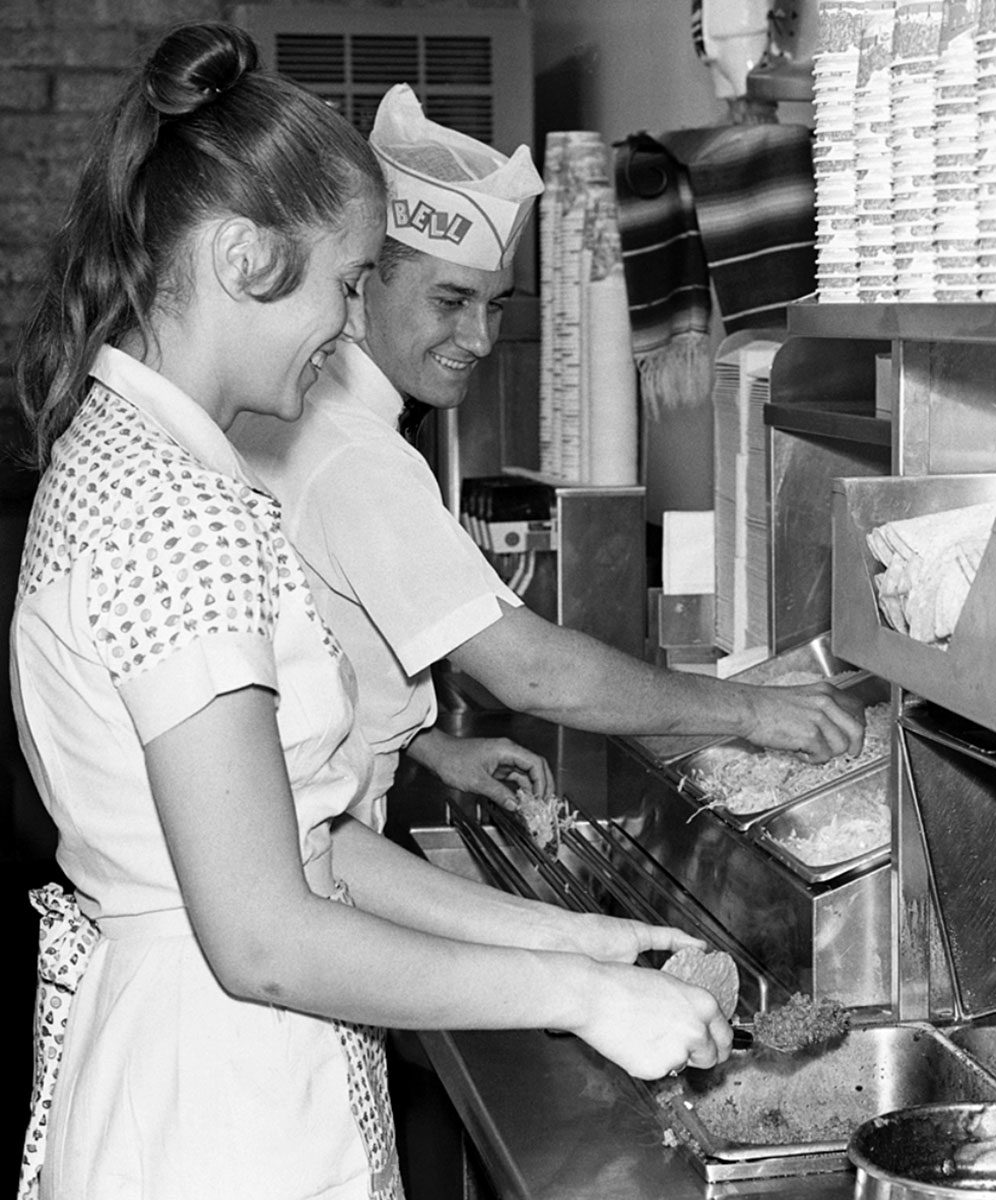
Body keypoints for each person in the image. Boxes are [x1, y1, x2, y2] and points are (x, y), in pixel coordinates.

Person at [12, 24, 730, 1200]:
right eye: (347, 285)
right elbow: (265, 936)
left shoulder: (146, 463)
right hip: (220, 1120)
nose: (350, 329)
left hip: (218, 1079)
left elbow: (313, 841)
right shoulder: (171, 513)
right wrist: (587, 1000)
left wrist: (583, 942)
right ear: (245, 256)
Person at [232, 84, 866, 830]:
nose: (479, 339)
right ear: (363, 286)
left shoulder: (329, 419)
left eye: (495, 304)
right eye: (451, 301)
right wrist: (758, 710)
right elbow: (531, 672)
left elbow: (320, 649)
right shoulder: (352, 452)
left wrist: (425, 746)